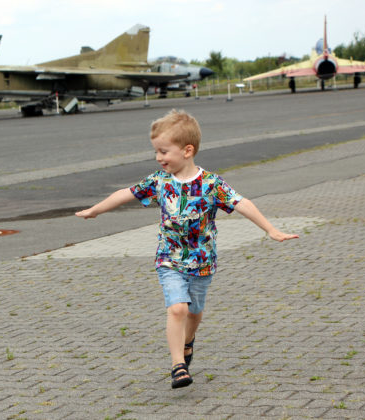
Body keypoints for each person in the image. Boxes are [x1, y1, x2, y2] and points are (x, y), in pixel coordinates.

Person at [75, 110, 299, 389]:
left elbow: (243, 203)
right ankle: (177, 365)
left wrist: (270, 229)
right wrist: (96, 211)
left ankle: (188, 342)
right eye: (156, 151)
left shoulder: (211, 184)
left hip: (202, 261)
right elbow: (126, 193)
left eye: (163, 151)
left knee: (194, 313)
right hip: (169, 259)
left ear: (187, 150)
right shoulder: (159, 181)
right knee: (178, 309)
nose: (158, 157)